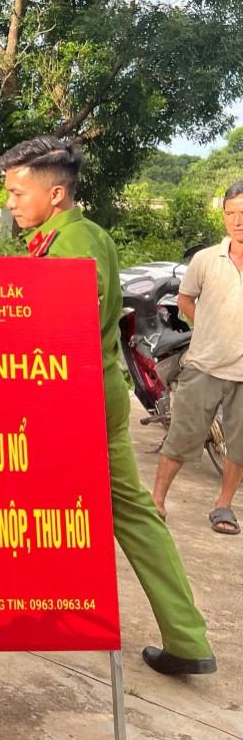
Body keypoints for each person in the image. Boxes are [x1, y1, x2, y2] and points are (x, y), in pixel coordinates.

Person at [0, 136, 215, 675]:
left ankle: (182, 636)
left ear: (54, 194)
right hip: (88, 397)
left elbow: (63, 329)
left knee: (116, 512)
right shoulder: (72, 235)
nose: (10, 202)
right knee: (116, 511)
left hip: (79, 404)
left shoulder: (72, 246)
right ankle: (182, 636)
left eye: (17, 192)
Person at [151, 181, 243, 535]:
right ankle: (157, 501)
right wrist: (205, 324)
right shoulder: (206, 260)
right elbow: (186, 299)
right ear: (223, 217)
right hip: (203, 365)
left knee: (239, 444)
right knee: (181, 436)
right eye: (231, 213)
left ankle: (223, 505)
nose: (237, 221)